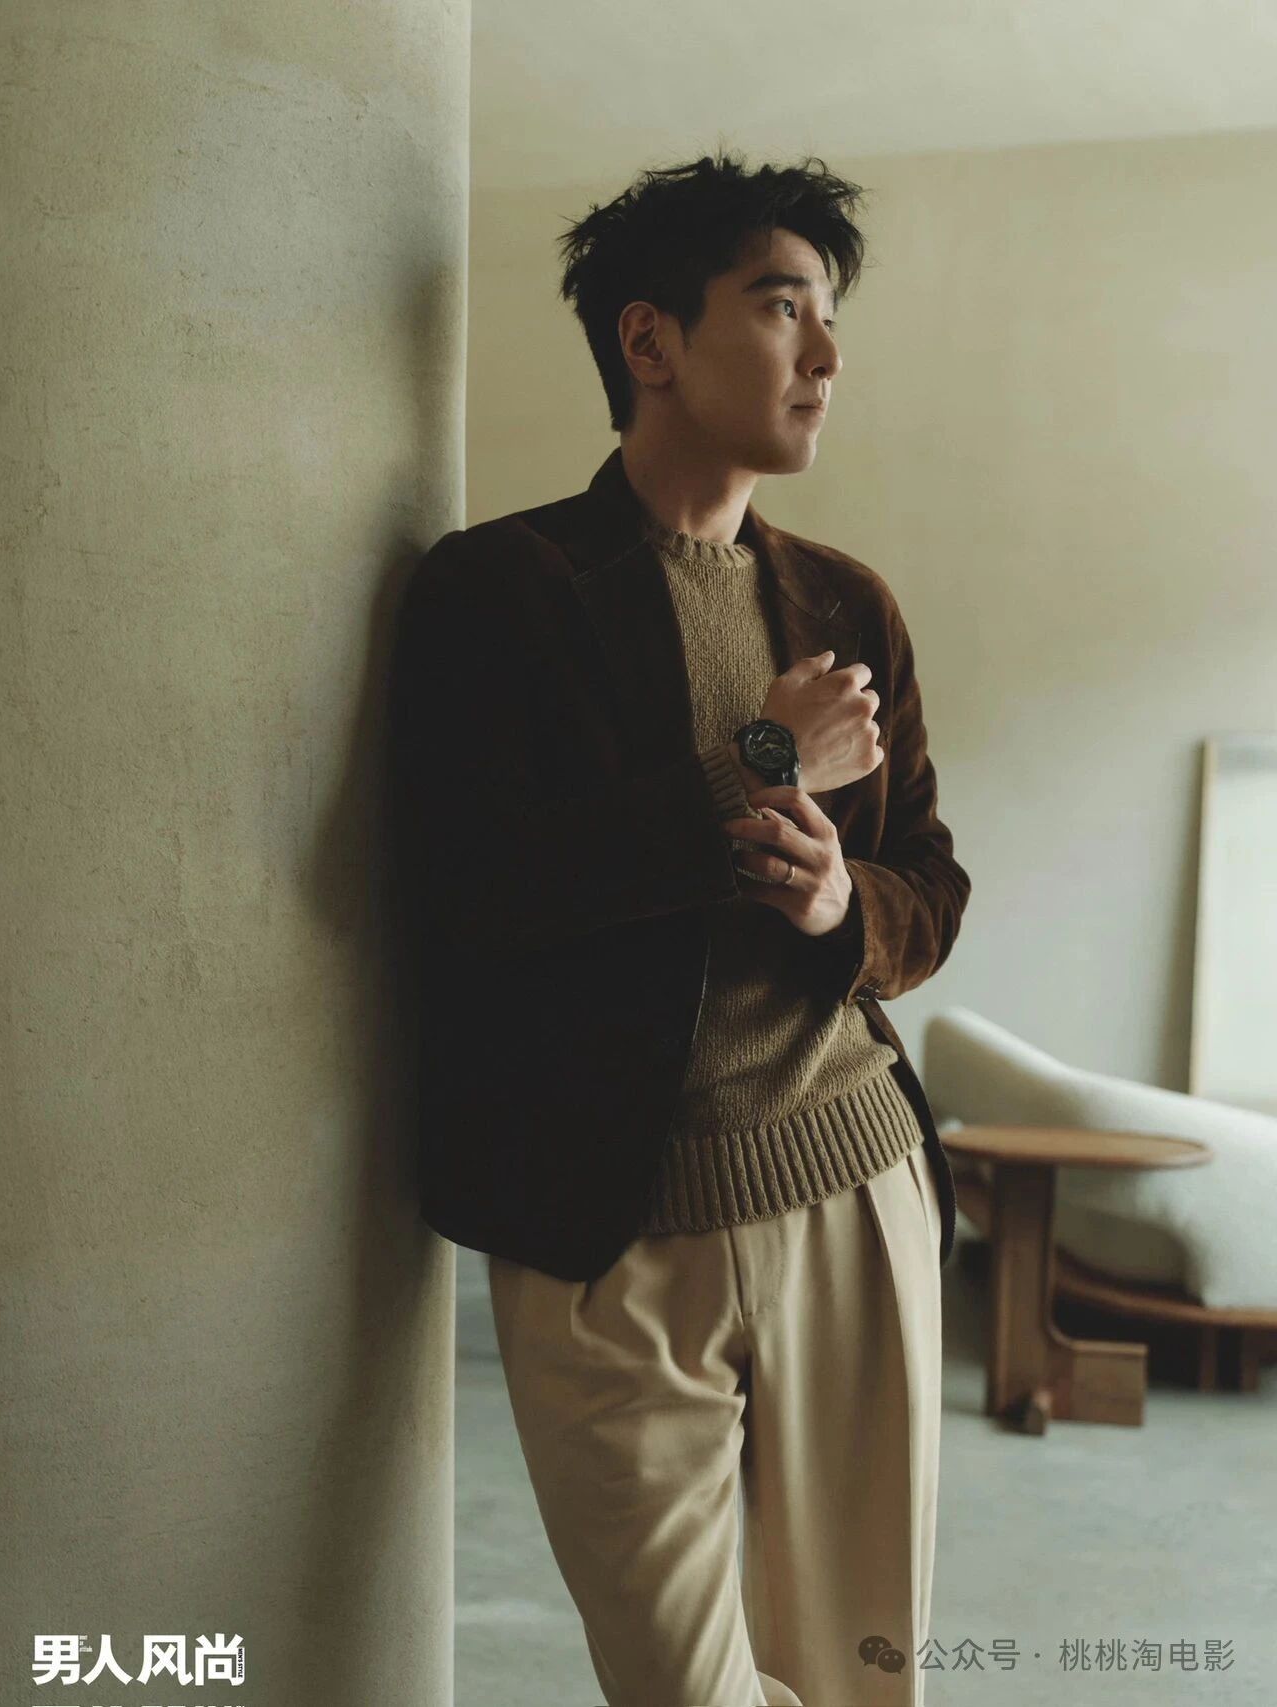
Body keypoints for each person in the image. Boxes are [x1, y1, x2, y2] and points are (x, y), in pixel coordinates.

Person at [388, 147, 972, 1707]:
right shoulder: (500, 589)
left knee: (862, 1675)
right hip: (609, 1225)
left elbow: (930, 883)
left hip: (853, 1187)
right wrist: (762, 760)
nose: (825, 355)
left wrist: (847, 907)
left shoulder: (848, 604)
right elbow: (472, 890)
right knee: (681, 1684)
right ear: (650, 339)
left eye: (829, 316)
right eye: (783, 308)